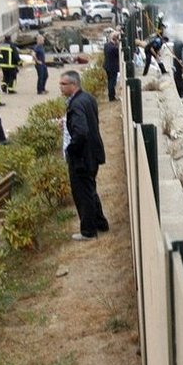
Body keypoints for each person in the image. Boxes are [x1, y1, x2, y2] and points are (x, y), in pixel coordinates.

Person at [60, 71, 109, 241]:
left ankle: (88, 231)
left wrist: (71, 149)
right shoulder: (87, 98)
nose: (60, 87)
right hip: (93, 153)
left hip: (82, 157)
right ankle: (100, 223)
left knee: (83, 194)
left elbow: (81, 132)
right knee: (90, 189)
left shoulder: (76, 105)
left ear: (73, 85)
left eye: (63, 84)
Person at [103, 31, 120, 101]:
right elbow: (118, 55)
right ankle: (111, 97)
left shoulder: (106, 45)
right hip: (112, 67)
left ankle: (111, 95)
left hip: (107, 66)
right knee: (112, 82)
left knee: (109, 80)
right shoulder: (114, 48)